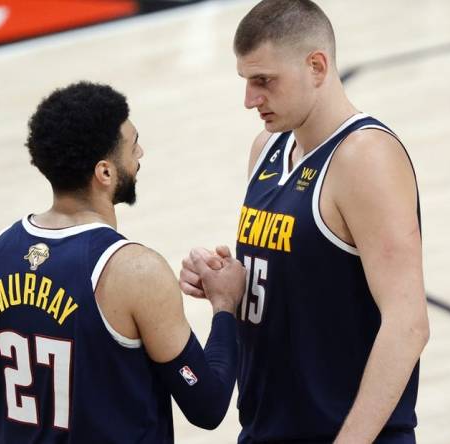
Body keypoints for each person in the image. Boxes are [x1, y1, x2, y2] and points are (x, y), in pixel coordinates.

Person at [179, 1, 430, 443]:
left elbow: (407, 323)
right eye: (246, 82)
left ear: (316, 66)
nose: (249, 100)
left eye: (263, 81)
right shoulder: (267, 149)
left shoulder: (364, 156)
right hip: (265, 429)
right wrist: (229, 289)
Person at [0, 81, 246, 443]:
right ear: (105, 173)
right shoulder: (133, 270)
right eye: (132, 145)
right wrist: (226, 305)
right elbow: (207, 405)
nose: (140, 153)